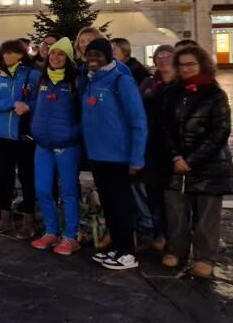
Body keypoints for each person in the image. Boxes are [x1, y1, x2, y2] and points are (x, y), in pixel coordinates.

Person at [159, 45, 233, 278]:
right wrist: (175, 155)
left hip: (209, 164)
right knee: (176, 210)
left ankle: (204, 257)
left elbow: (220, 131)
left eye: (191, 64)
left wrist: (191, 160)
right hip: (177, 162)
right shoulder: (172, 92)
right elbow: (165, 127)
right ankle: (177, 250)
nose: (186, 69)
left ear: (202, 64)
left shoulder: (214, 94)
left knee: (206, 214)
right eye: (182, 65)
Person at [80, 38, 148, 271]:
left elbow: (138, 120)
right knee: (109, 204)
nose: (93, 58)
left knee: (121, 204)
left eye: (98, 54)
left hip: (118, 155)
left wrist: (137, 157)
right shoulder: (92, 79)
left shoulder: (121, 80)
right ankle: (116, 247)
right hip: (99, 154)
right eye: (90, 54)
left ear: (108, 56)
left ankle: (127, 251)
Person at [29, 38, 82, 256]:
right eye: (52, 54)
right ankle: (51, 230)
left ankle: (70, 235)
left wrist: (72, 134)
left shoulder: (75, 82)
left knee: (68, 192)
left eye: (61, 54)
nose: (55, 58)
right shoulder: (43, 80)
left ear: (68, 58)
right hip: (43, 145)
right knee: (42, 189)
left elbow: (83, 114)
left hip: (67, 146)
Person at [0, 39, 40, 238]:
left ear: (21, 54)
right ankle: (5, 217)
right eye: (4, 53)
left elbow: (38, 100)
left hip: (23, 135)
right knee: (2, 177)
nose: (7, 56)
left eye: (11, 52)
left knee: (27, 178)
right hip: (1, 134)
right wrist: (12, 103)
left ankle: (28, 219)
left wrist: (28, 106)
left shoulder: (32, 74)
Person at [137, 45, 176, 253]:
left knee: (174, 198)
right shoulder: (149, 84)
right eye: (159, 57)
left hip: (175, 148)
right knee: (153, 195)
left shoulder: (183, 84)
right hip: (152, 146)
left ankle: (176, 238)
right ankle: (159, 234)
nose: (163, 60)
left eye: (167, 56)